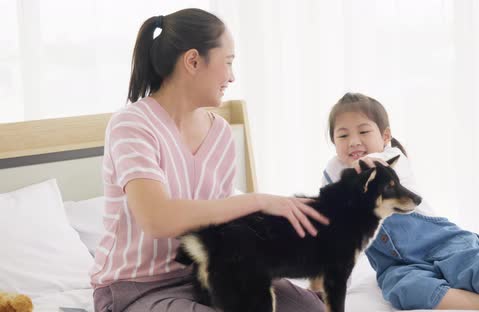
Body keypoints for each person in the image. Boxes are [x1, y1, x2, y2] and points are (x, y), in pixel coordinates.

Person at [91, 9, 329, 312]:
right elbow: (157, 219)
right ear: (192, 61)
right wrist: (257, 201)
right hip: (134, 288)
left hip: (207, 276)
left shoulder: (221, 134)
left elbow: (220, 225)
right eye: (228, 62)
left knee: (309, 309)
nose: (232, 76)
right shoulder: (132, 125)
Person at [321, 92, 479, 311]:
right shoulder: (330, 180)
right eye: (342, 136)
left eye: (363, 131)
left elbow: (372, 171)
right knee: (405, 290)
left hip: (440, 243)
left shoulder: (392, 158)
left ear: (385, 135)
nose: (353, 141)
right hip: (397, 265)